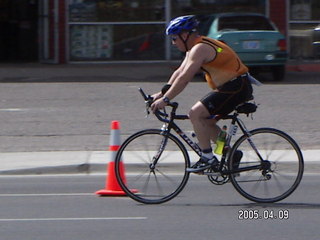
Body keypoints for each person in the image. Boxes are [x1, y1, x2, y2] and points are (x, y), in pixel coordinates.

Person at [150, 15, 253, 173]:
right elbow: (180, 72)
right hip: (231, 86)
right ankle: (231, 154)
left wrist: (166, 99)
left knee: (195, 114)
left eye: (174, 38)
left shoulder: (200, 48)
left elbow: (185, 79)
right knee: (207, 122)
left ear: (185, 36)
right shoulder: (194, 48)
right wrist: (162, 92)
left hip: (236, 86)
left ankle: (207, 157)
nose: (173, 42)